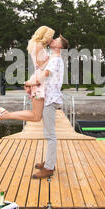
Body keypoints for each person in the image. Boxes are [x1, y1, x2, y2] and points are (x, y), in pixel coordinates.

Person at [0, 26, 54, 124]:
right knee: (36, 116)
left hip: (39, 81)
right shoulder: (38, 46)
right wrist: (53, 57)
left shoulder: (36, 45)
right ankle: (5, 115)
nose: (51, 39)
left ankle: (6, 114)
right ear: (45, 35)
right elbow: (41, 66)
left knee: (37, 116)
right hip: (39, 84)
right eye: (50, 36)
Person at [31, 35, 69, 179]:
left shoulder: (56, 59)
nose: (53, 40)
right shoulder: (54, 59)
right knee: (48, 133)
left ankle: (49, 168)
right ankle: (49, 162)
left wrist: (30, 83)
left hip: (50, 99)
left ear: (60, 46)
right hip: (50, 98)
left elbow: (45, 74)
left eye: (57, 40)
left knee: (50, 135)